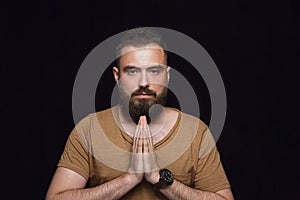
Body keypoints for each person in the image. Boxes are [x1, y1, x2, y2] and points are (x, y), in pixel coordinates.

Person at [46, 27, 234, 200]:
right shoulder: (89, 129)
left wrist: (159, 179)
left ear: (167, 75)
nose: (144, 82)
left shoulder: (196, 132)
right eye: (133, 71)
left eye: (154, 70)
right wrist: (130, 179)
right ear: (117, 76)